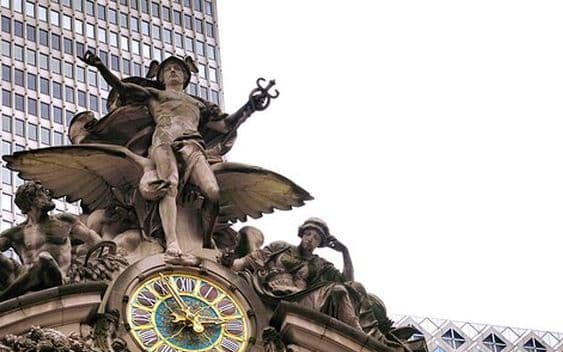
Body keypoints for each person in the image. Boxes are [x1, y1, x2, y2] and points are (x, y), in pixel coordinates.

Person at [80, 52, 243, 256]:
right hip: (163, 142)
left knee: (213, 192)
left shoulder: (199, 105)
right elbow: (123, 88)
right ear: (161, 77)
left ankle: (207, 239)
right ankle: (172, 241)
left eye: (178, 69)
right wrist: (100, 66)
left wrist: (250, 107)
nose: (173, 71)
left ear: (186, 77)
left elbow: (226, 125)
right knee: (169, 185)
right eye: (168, 69)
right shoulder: (154, 95)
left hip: (192, 144)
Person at [0, 182, 101, 321]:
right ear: (31, 201)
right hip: (23, 280)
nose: (49, 195)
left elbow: (95, 241)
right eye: (43, 193)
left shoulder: (64, 221)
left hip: (54, 278)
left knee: (44, 259)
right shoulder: (16, 233)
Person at [224, 218, 363, 330]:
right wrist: (230, 263)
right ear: (302, 234)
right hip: (268, 290)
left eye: (316, 238)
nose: (310, 239)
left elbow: (348, 282)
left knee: (339, 290)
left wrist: (345, 252)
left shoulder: (319, 264)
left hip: (300, 298)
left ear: (319, 244)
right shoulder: (280, 247)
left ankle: (357, 334)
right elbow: (249, 260)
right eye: (308, 234)